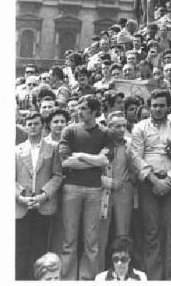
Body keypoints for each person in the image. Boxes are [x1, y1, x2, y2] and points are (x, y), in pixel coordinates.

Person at [130, 89, 171, 280]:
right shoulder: (140, 128)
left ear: (168, 107)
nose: (158, 109)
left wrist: (170, 179)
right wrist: (154, 180)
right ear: (148, 106)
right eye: (154, 105)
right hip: (149, 184)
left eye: (162, 105)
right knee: (151, 233)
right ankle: (153, 279)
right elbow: (136, 156)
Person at [58, 95, 113, 280]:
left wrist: (80, 155)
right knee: (69, 240)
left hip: (94, 190)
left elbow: (106, 160)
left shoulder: (105, 133)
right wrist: (94, 161)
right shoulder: (70, 131)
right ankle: (67, 280)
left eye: (83, 109)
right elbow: (66, 162)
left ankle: (87, 280)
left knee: (92, 241)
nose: (79, 112)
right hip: (71, 189)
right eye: (78, 108)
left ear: (95, 112)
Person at [15, 111, 63, 280]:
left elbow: (57, 175)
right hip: (22, 205)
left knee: (40, 246)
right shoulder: (16, 150)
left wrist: (44, 195)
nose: (33, 127)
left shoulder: (53, 148)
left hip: (43, 205)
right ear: (25, 127)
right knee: (21, 247)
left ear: (43, 126)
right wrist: (20, 197)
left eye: (36, 123)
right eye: (29, 124)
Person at [98, 113, 136, 272]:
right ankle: (98, 273)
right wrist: (106, 181)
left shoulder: (129, 144)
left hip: (123, 192)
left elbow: (136, 169)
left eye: (124, 126)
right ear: (108, 126)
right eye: (116, 126)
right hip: (102, 192)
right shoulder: (100, 144)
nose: (121, 130)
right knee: (100, 236)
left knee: (122, 235)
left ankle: (122, 273)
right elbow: (90, 170)